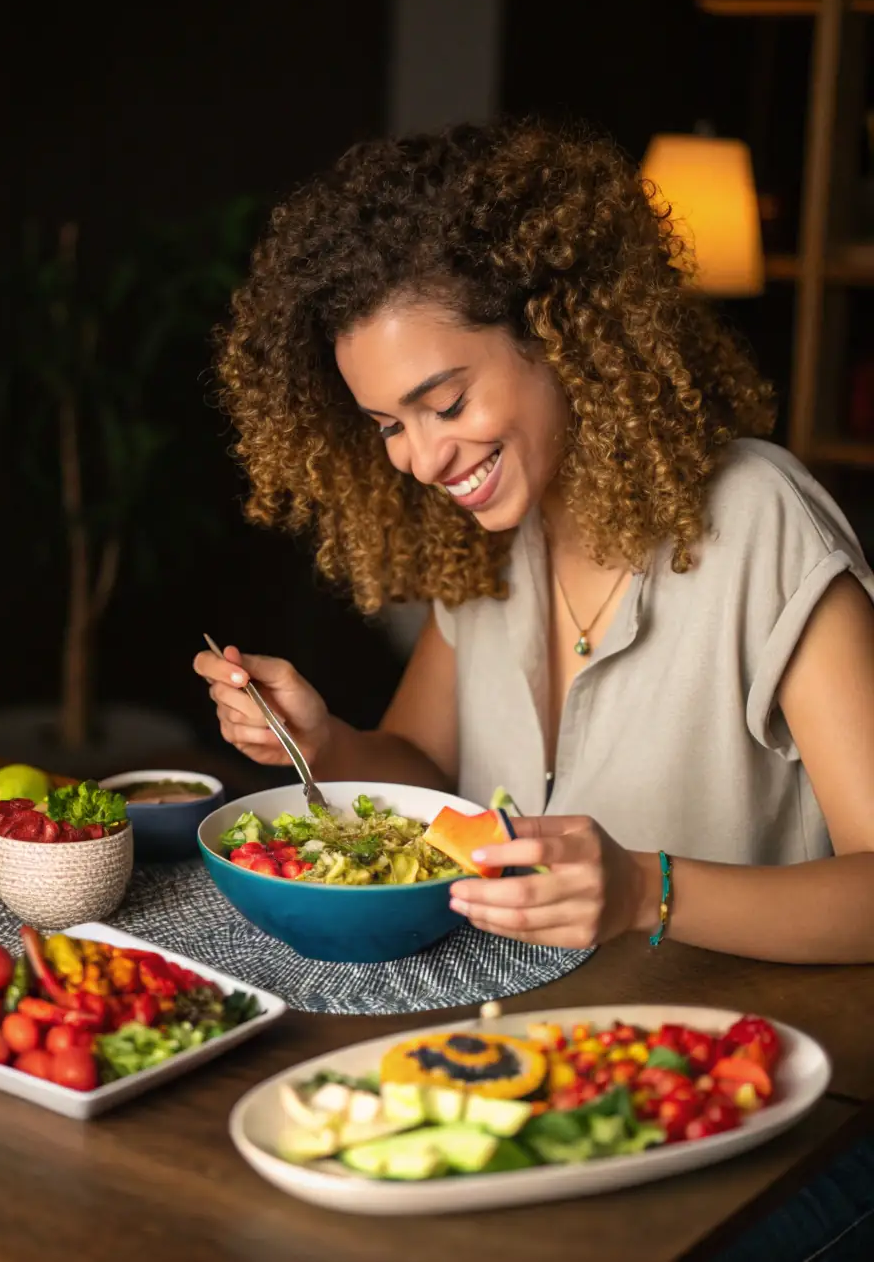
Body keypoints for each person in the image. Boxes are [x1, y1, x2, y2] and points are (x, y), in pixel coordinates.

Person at [194, 118, 874, 967]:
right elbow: (426, 775)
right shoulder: (488, 540)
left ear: (560, 336)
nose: (422, 458)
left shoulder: (760, 521)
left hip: (740, 1059)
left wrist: (644, 889)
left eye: (445, 404)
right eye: (386, 425)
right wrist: (323, 740)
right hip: (535, 1037)